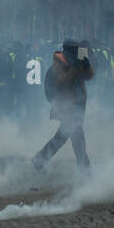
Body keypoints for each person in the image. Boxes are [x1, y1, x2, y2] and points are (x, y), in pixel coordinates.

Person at [32, 38, 94, 173]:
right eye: (72, 50)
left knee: (64, 137)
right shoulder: (58, 65)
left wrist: (85, 63)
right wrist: (74, 70)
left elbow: (89, 76)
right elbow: (61, 81)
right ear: (66, 50)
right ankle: (85, 169)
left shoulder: (77, 63)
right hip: (66, 107)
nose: (75, 52)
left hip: (76, 106)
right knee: (77, 137)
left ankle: (39, 159)